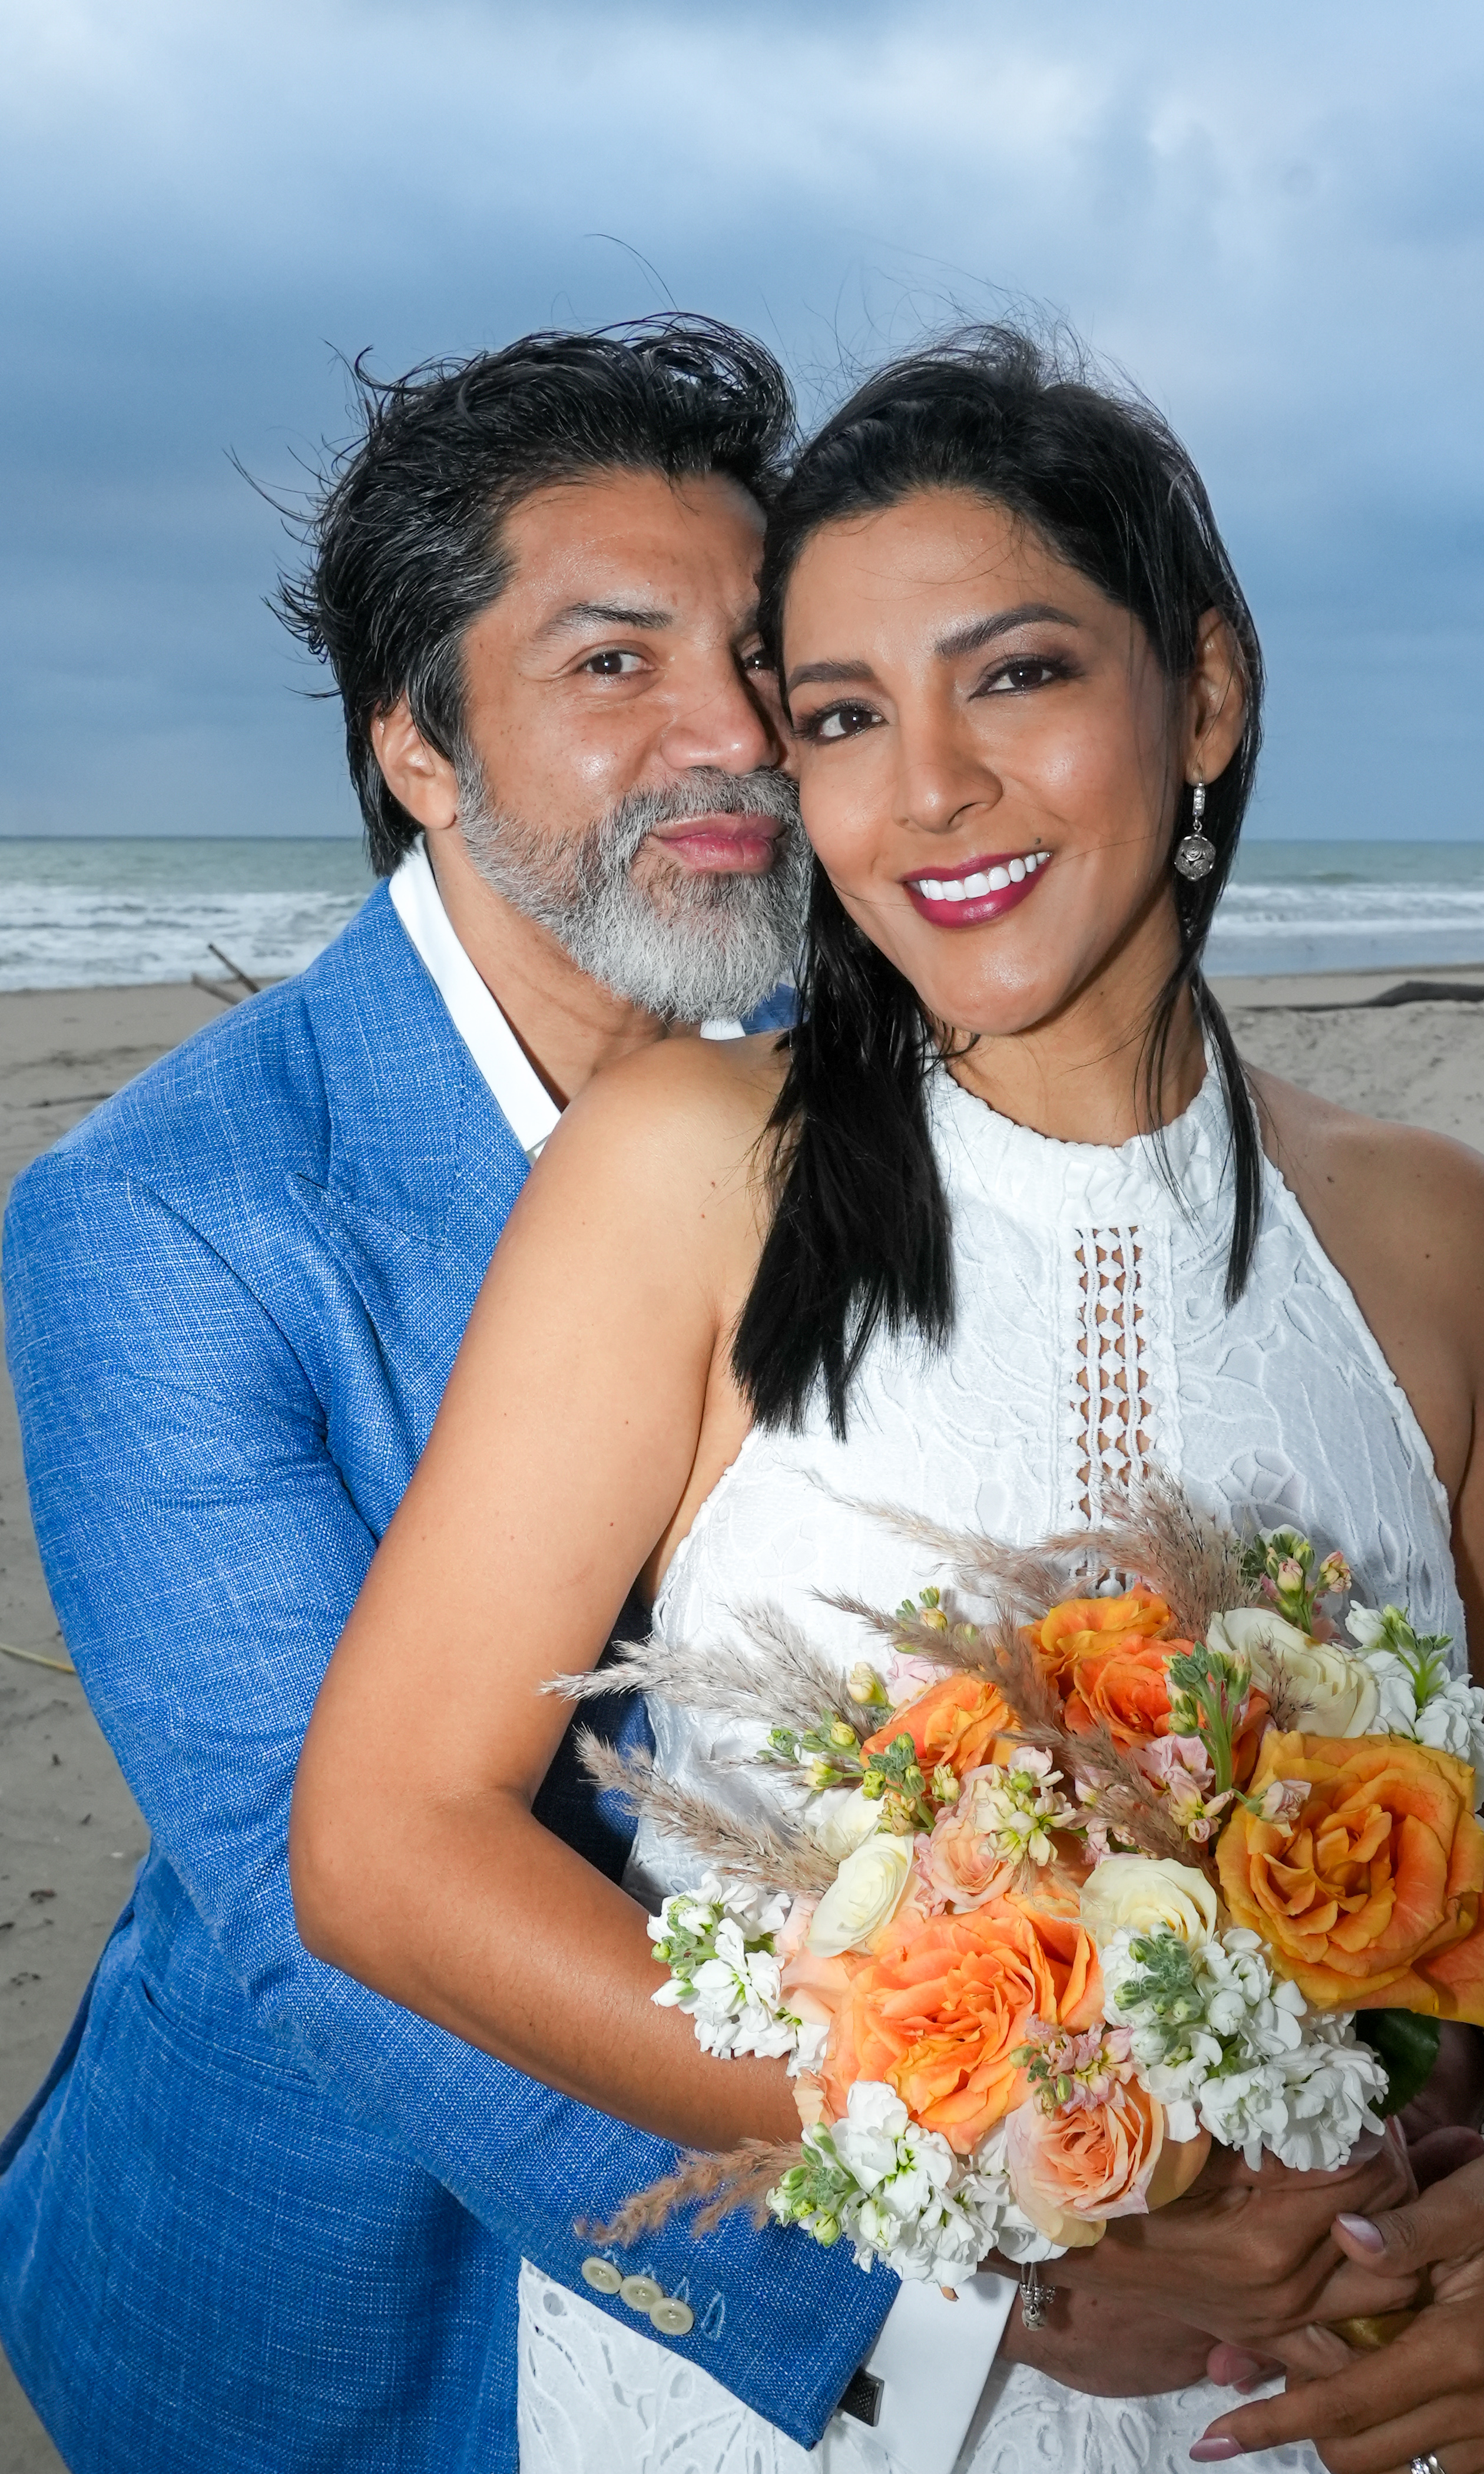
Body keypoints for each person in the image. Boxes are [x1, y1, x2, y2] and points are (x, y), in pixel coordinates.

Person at [292, 325, 1484, 2474]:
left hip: (1328, 2394)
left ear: (1205, 695)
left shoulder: (1437, 1230)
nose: (926, 786)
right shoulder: (684, 1172)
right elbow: (386, 1843)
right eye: (843, 716)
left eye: (1014, 675)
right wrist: (1039, 2168)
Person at [0, 316, 897, 2474]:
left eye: (759, 654)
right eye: (611, 664)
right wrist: (929, 2258)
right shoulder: (166, 1217)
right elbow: (320, 1910)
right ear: (418, 743)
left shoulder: (890, 1092)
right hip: (344, 2296)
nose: (734, 736)